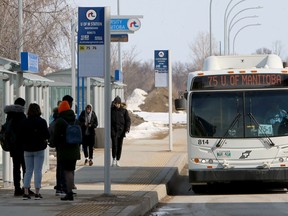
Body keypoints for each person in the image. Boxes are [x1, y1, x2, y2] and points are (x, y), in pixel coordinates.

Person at [4, 97, 34, 196]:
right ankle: (26, 188)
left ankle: (17, 189)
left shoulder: (9, 116)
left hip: (13, 146)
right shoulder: (21, 116)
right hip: (23, 146)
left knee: (16, 167)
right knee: (26, 168)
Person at [20, 103, 50, 200]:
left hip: (27, 149)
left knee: (28, 171)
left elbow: (21, 136)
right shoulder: (42, 122)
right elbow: (47, 135)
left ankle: (26, 192)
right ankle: (37, 193)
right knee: (38, 170)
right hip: (39, 149)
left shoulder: (24, 122)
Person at [53, 100, 80, 201]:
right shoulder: (74, 119)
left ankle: (68, 192)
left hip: (64, 150)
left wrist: (54, 144)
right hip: (74, 149)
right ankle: (70, 189)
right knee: (71, 170)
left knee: (66, 171)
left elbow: (56, 136)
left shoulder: (60, 121)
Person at [49, 103, 67, 196]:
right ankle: (62, 187)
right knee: (63, 167)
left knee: (59, 166)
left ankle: (59, 186)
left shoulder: (53, 123)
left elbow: (50, 135)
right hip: (64, 146)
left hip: (57, 146)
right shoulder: (62, 122)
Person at [111, 96, 131, 167]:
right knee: (114, 145)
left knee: (119, 146)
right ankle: (113, 158)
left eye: (118, 103)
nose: (117, 105)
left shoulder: (124, 111)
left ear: (120, 103)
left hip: (121, 131)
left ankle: (118, 160)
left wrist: (127, 128)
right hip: (113, 131)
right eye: (115, 103)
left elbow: (128, 120)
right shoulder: (111, 110)